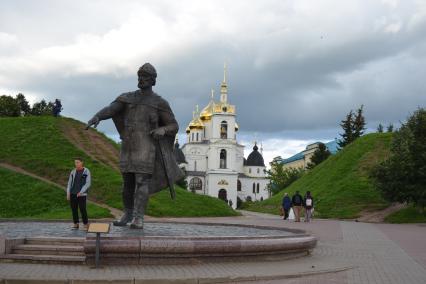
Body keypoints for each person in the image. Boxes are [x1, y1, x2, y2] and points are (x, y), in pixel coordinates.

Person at [86, 63, 183, 229]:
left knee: (141, 182)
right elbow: (111, 109)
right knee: (127, 184)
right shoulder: (128, 97)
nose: (141, 79)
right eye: (139, 76)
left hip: (146, 148)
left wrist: (162, 129)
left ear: (153, 81)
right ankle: (128, 213)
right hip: (128, 146)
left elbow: (174, 125)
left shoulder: (159, 102)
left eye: (145, 77)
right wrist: (97, 117)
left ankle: (139, 217)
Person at [66, 158, 91, 230]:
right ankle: (75, 223)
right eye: (75, 162)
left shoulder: (86, 171)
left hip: (82, 194)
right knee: (74, 209)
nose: (76, 164)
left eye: (77, 162)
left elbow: (88, 183)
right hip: (73, 193)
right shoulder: (73, 172)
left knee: (82, 208)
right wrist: (68, 193)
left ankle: (85, 224)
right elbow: (69, 183)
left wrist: (81, 191)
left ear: (82, 162)